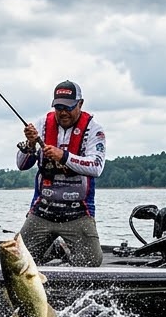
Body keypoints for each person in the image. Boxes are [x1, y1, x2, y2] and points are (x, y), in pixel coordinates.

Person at [14, 80, 107, 266]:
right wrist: (30, 144)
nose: (63, 112)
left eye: (68, 107)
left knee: (92, 262)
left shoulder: (94, 130)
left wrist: (63, 156)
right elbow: (21, 164)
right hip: (43, 210)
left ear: (80, 104)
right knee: (17, 260)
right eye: (58, 107)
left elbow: (96, 167)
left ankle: (63, 248)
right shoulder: (41, 125)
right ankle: (54, 249)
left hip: (78, 212)